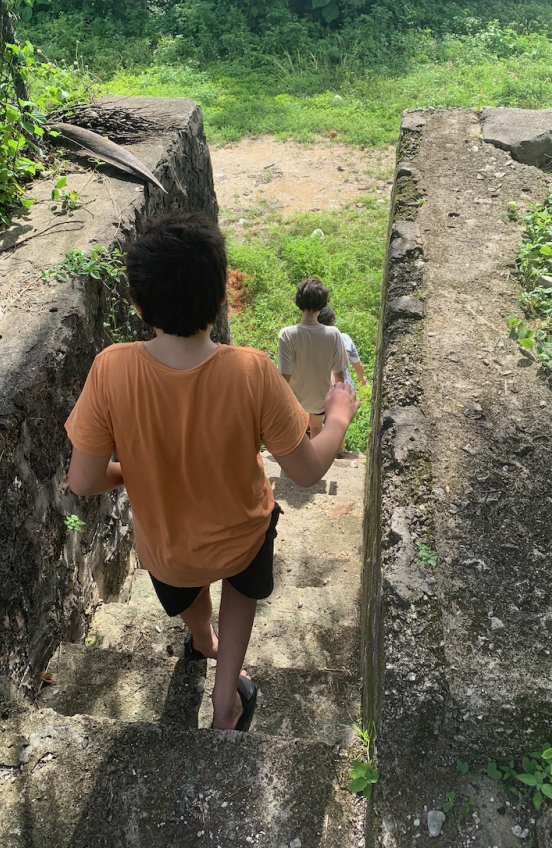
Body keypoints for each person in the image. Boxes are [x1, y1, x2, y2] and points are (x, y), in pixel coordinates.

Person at [64, 213, 359, 732]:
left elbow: (84, 481)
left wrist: (135, 470)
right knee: (240, 585)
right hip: (240, 537)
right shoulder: (251, 371)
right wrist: (337, 415)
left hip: (167, 546)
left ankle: (202, 641)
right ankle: (226, 703)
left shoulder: (110, 368)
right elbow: (308, 470)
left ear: (138, 304)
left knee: (187, 584)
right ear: (222, 297)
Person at [277, 277, 347, 439]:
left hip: (295, 401)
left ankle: (292, 463)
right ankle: (314, 462)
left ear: (298, 302)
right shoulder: (333, 334)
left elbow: (284, 377)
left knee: (296, 433)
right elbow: (339, 374)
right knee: (316, 427)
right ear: (323, 305)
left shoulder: (288, 335)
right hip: (320, 399)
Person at [317, 305, 367, 388]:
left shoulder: (311, 343)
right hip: (346, 389)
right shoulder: (344, 339)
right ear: (333, 321)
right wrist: (361, 378)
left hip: (321, 392)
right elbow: (358, 366)